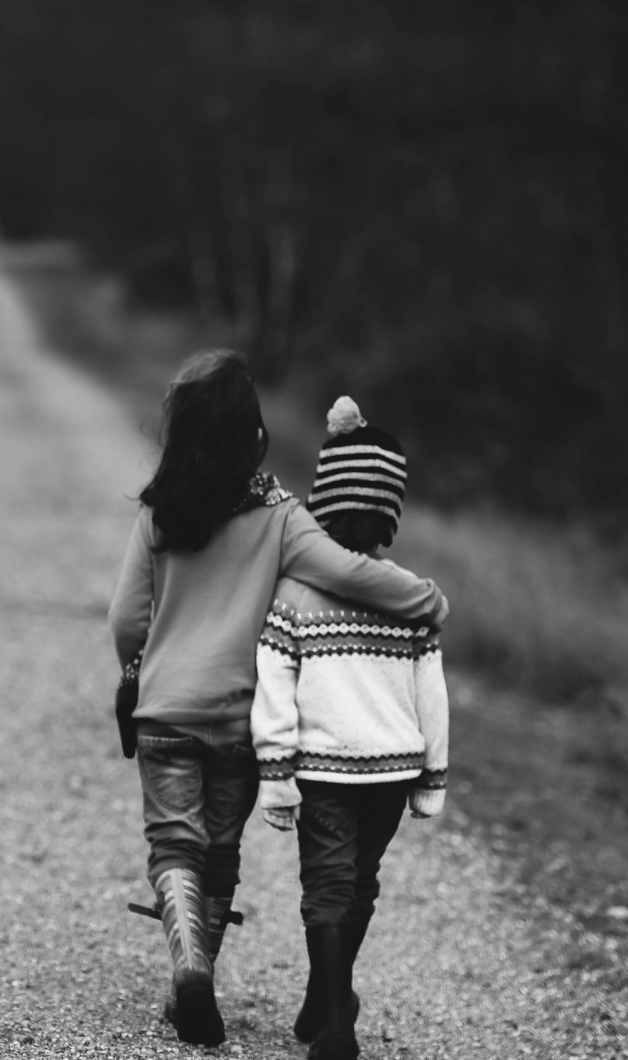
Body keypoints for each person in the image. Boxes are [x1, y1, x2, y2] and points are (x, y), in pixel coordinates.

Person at [108, 353, 448, 1047]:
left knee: (175, 843)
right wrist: (427, 600)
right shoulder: (281, 517)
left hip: (166, 712)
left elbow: (125, 620)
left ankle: (191, 968)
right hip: (239, 719)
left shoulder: (159, 514)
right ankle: (201, 973)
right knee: (220, 852)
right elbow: (349, 572)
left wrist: (139, 670)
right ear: (253, 436)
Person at [250, 396, 450, 1060]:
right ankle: (330, 998)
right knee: (360, 881)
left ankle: (335, 1017)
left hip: (324, 770)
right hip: (391, 771)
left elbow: (274, 685)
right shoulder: (407, 596)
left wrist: (276, 773)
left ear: (322, 503)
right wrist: (433, 776)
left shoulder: (295, 593)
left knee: (327, 887)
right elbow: (432, 692)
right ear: (390, 512)